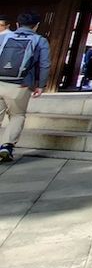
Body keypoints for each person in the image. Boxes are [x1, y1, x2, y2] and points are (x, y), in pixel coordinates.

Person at [0, 12, 51, 162]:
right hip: (21, 85)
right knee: (17, 115)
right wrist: (41, 85)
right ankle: (6, 146)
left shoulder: (3, 37)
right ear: (36, 26)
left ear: (17, 24)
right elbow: (45, 64)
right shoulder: (39, 41)